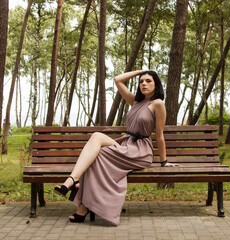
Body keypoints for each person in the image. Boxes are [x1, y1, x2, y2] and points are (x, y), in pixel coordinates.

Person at [54, 70, 179, 225]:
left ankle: (76, 191)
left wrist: (164, 162)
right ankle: (76, 186)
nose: (144, 84)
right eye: (141, 81)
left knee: (97, 144)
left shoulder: (158, 104)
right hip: (126, 145)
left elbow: (159, 135)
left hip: (141, 151)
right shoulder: (135, 102)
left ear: (156, 84)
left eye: (148, 81)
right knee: (96, 142)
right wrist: (141, 70)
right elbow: (118, 80)